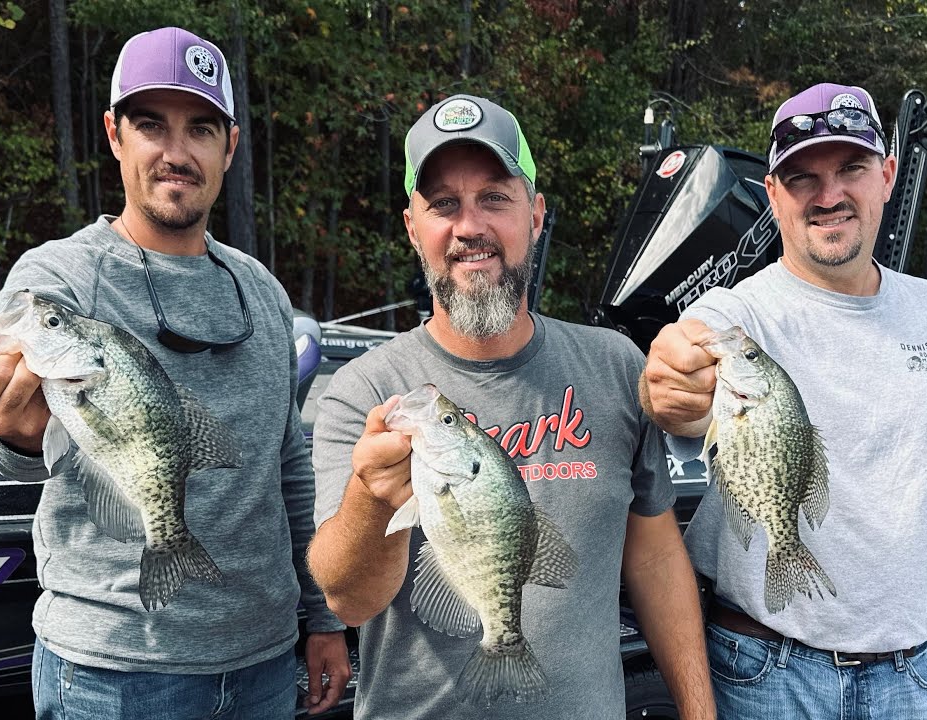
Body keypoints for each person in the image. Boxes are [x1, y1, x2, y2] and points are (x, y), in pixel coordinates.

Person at [0, 26, 351, 719]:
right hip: (114, 674)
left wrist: (321, 618)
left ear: (229, 146)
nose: (176, 153)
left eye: (200, 129)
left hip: (262, 662)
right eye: (152, 126)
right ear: (115, 135)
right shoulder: (58, 280)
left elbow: (286, 464)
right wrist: (12, 437)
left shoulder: (261, 290)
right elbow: (20, 458)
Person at [306, 94, 716, 719]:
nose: (470, 226)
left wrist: (698, 712)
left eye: (495, 197)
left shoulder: (614, 367)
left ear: (536, 214)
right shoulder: (365, 390)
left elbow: (655, 555)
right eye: (444, 204)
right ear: (413, 227)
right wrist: (370, 498)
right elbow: (348, 601)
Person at [639, 82, 927, 719]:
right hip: (765, 674)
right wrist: (667, 380)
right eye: (801, 178)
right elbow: (672, 381)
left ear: (888, 176)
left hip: (917, 679)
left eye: (850, 168)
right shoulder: (741, 317)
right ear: (772, 195)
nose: (827, 196)